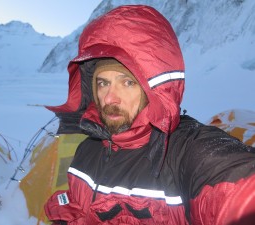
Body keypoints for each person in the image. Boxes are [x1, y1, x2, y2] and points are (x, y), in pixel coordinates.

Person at [44, 5, 255, 225]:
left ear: (153, 89)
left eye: (127, 83)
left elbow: (237, 190)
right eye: (103, 83)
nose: (109, 98)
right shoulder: (87, 151)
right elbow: (75, 210)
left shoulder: (186, 152)